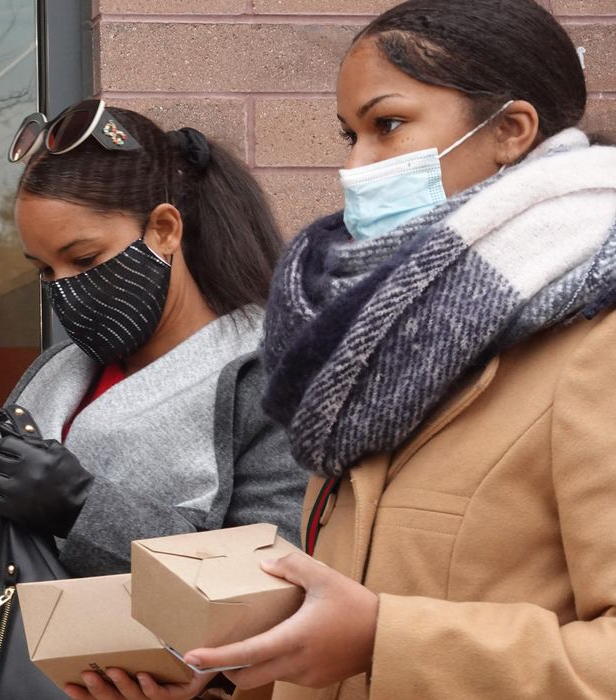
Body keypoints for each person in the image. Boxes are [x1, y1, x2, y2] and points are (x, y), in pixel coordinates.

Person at [74, 1, 616, 699]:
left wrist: (381, 639)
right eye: (348, 135)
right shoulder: (369, 352)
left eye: (386, 125)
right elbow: (339, 637)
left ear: (509, 130)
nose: (356, 166)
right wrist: (217, 682)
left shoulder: (594, 344)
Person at [0, 101, 309, 698]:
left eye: (84, 259)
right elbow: (13, 556)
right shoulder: (56, 376)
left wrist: (82, 508)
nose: (64, 287)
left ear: (164, 231)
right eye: (43, 269)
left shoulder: (263, 374)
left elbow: (277, 581)